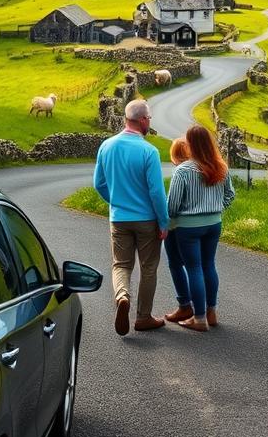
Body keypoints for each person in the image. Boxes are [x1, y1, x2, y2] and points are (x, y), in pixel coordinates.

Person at [93, 99, 168, 336]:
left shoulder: (106, 146)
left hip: (119, 219)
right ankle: (143, 317)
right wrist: (163, 222)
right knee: (148, 268)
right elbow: (156, 192)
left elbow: (99, 184)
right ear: (143, 120)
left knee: (121, 265)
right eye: (150, 119)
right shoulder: (149, 151)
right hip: (147, 220)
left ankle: (122, 296)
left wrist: (116, 202)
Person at [166, 125, 235, 332]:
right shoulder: (221, 166)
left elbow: (173, 205)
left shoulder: (184, 170)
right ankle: (211, 312)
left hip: (188, 227)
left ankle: (199, 318)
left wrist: (172, 219)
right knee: (208, 265)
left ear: (191, 144)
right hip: (214, 224)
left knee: (194, 268)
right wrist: (215, 209)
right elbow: (230, 195)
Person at [163, 137, 193, 324]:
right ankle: (206, 307)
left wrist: (164, 220)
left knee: (175, 263)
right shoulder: (202, 168)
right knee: (200, 265)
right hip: (204, 224)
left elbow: (172, 206)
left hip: (178, 226)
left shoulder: (180, 172)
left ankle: (184, 305)